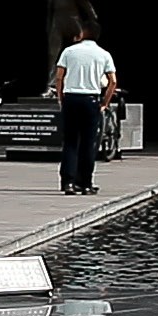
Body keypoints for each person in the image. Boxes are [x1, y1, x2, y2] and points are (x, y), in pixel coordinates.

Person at [52, 23, 118, 195]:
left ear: (82, 34)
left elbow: (59, 77)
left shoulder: (69, 52)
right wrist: (105, 102)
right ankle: (86, 183)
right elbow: (113, 81)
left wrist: (61, 98)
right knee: (89, 143)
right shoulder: (104, 54)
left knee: (71, 142)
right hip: (91, 100)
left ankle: (68, 182)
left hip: (71, 98)